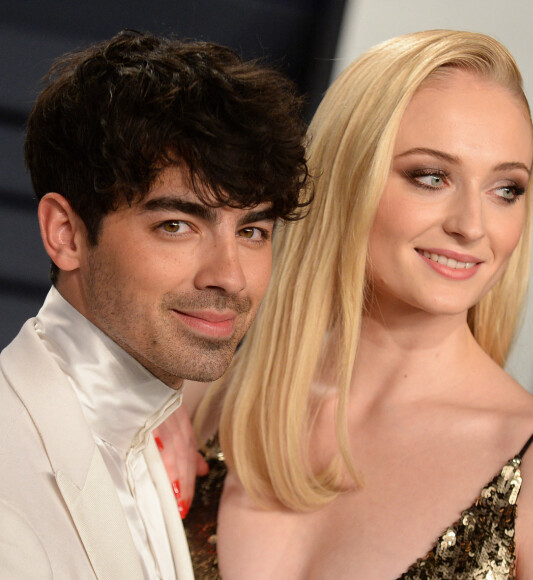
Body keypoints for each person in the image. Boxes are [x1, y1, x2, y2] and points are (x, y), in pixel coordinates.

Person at [180, 29, 533, 579]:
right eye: (431, 177)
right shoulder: (207, 400)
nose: (471, 226)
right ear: (348, 178)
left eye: (505, 189)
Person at [0, 30, 309, 579]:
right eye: (176, 225)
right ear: (66, 234)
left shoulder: (148, 446)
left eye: (253, 231)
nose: (230, 277)